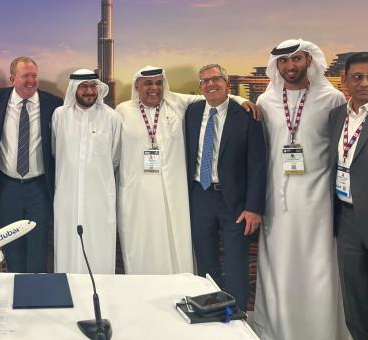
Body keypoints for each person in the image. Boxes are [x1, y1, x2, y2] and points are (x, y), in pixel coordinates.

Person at [116, 65, 256, 274]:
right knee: (141, 245)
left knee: (177, 245)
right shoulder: (122, 111)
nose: (154, 88)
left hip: (174, 197)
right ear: (137, 86)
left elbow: (212, 98)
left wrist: (240, 99)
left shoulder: (176, 103)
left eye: (158, 83)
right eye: (148, 83)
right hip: (138, 197)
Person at [253, 39, 349, 340]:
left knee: (317, 265)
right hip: (276, 200)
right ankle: (278, 329)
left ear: (309, 60)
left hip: (317, 200)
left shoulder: (331, 99)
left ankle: (319, 330)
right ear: (276, 66)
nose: (290, 66)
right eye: (283, 61)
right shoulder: (265, 102)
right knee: (279, 264)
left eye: (296, 59)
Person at [185, 64, 266, 310]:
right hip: (200, 195)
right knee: (206, 260)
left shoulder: (247, 115)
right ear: (200, 88)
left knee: (236, 263)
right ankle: (208, 311)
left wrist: (254, 207)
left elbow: (258, 164)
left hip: (235, 202)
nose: (211, 84)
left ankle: (235, 318)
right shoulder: (192, 112)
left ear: (227, 83)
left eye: (216, 79)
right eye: (205, 81)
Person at [0, 57, 62, 273]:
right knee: (11, 241)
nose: (31, 80)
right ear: (12, 78)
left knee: (38, 242)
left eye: (34, 75)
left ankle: (34, 291)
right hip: (8, 185)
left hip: (39, 186)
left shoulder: (53, 104)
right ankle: (14, 285)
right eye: (25, 76)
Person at [328, 52, 368, 340]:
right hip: (346, 218)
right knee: (356, 298)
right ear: (345, 80)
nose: (365, 84)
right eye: (357, 77)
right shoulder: (337, 116)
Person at [52, 69, 121, 274]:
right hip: (67, 195)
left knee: (99, 244)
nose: (89, 91)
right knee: (67, 244)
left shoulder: (112, 118)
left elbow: (115, 156)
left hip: (99, 196)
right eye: (83, 87)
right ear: (74, 89)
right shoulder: (60, 115)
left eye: (93, 86)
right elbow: (56, 150)